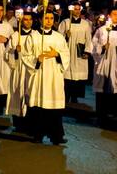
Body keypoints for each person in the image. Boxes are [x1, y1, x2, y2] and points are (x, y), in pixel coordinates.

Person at [22, 11, 69, 145]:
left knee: (54, 106)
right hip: (39, 76)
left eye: (51, 18)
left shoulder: (59, 37)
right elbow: (25, 55)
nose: (49, 21)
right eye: (46, 18)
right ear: (41, 20)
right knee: (39, 106)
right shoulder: (33, 36)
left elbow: (66, 54)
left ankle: (56, 136)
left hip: (54, 75)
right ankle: (38, 134)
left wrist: (58, 55)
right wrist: (37, 59)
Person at [58, 2, 92, 103]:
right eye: (75, 9)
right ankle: (66, 95)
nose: (77, 11)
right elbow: (59, 38)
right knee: (67, 75)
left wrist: (87, 51)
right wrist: (65, 36)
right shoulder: (65, 22)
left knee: (78, 76)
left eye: (78, 9)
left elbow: (88, 39)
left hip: (79, 52)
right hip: (68, 51)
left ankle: (75, 97)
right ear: (71, 10)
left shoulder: (86, 23)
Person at [5, 11, 33, 132]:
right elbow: (6, 54)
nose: (28, 21)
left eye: (29, 19)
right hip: (18, 69)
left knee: (30, 95)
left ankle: (30, 123)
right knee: (17, 94)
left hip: (31, 70)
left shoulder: (37, 35)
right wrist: (15, 52)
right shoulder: (15, 36)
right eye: (25, 19)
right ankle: (18, 123)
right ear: (20, 21)